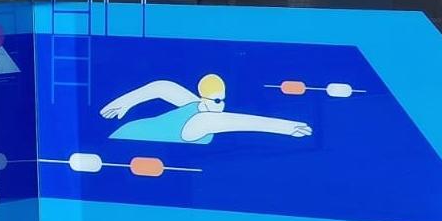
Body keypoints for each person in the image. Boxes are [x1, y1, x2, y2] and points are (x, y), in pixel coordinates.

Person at [100, 74, 312, 144]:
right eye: (218, 101)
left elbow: (162, 87)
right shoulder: (201, 120)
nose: (222, 106)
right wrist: (287, 127)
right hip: (128, 137)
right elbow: (239, 121)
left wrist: (126, 102)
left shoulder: (198, 105)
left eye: (223, 101)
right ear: (205, 98)